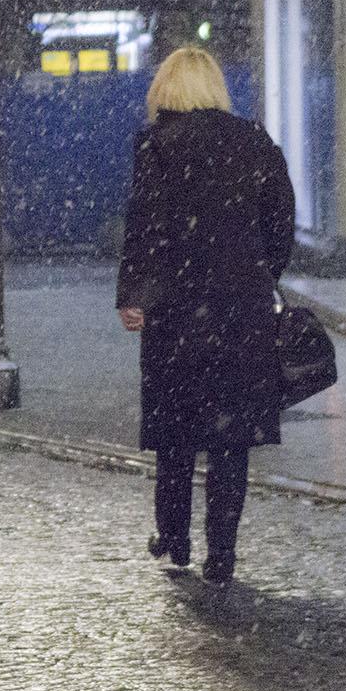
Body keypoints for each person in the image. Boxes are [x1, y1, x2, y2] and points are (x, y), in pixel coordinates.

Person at [116, 47, 296, 585]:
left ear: (166, 90)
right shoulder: (254, 141)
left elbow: (144, 227)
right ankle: (223, 553)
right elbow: (281, 222)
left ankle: (174, 537)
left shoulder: (155, 145)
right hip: (241, 311)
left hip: (176, 310)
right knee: (230, 438)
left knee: (175, 431)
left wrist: (134, 294)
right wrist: (259, 274)